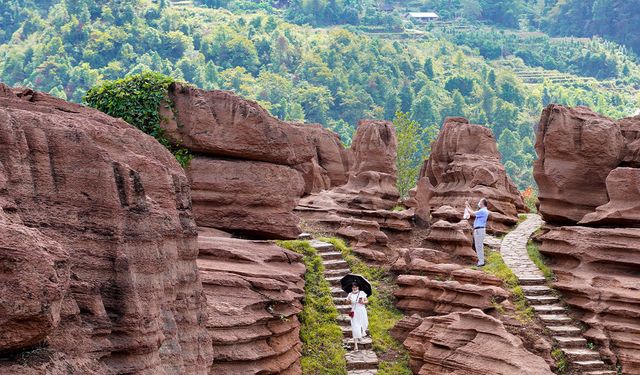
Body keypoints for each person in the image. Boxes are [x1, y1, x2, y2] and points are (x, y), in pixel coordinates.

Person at [465, 198, 489, 267]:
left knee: (479, 246)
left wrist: (466, 206)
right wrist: (468, 205)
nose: (479, 203)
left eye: (480, 202)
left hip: (479, 230)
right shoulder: (482, 211)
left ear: (482, 203)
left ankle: (481, 262)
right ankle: (481, 260)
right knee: (479, 246)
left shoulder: (483, 211)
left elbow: (472, 213)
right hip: (479, 230)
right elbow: (473, 212)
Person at [346, 282, 369, 351]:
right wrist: (348, 300)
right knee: (355, 327)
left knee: (362, 325)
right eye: (353, 287)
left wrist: (363, 302)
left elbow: (366, 301)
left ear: (358, 287)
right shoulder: (350, 294)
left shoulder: (362, 293)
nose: (354, 288)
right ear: (352, 288)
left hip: (362, 311)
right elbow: (347, 302)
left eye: (355, 287)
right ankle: (356, 346)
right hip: (354, 312)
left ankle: (360, 335)